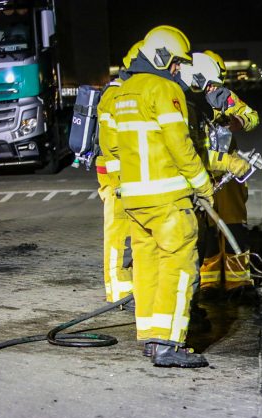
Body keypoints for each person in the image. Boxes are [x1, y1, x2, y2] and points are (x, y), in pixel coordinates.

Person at [111, 26, 237, 368]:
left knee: (147, 268)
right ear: (163, 58)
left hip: (135, 200)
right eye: (179, 62)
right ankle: (170, 345)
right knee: (179, 266)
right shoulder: (165, 89)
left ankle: (151, 339)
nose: (182, 70)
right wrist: (203, 185)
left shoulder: (125, 92)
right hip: (167, 199)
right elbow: (179, 144)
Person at [184, 50, 260, 296]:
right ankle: (209, 280)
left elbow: (252, 117)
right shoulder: (184, 101)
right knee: (206, 228)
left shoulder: (223, 97)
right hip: (203, 171)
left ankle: (237, 280)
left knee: (233, 224)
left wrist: (237, 121)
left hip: (228, 174)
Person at [96, 41, 142, 306]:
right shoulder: (115, 95)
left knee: (127, 234)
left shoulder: (125, 92)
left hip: (123, 175)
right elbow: (113, 142)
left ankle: (127, 286)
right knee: (118, 236)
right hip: (116, 179)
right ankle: (118, 291)